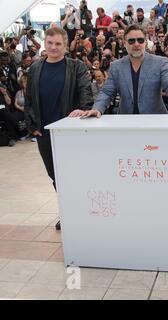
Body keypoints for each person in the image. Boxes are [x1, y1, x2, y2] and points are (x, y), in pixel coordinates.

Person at [24, 27, 93, 230]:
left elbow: (86, 94)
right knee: (55, 175)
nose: (53, 47)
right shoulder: (35, 68)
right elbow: (28, 100)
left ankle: (83, 212)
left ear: (65, 45)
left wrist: (82, 110)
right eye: (50, 43)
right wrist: (33, 127)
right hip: (44, 134)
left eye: (58, 44)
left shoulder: (76, 67)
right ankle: (68, 211)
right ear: (45, 43)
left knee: (74, 175)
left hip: (69, 134)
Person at [82, 24, 168, 118]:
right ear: (124, 43)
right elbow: (107, 92)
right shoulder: (116, 66)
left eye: (140, 40)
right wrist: (97, 109)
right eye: (131, 41)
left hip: (155, 120)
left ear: (145, 42)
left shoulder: (160, 62)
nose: (136, 44)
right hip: (126, 122)